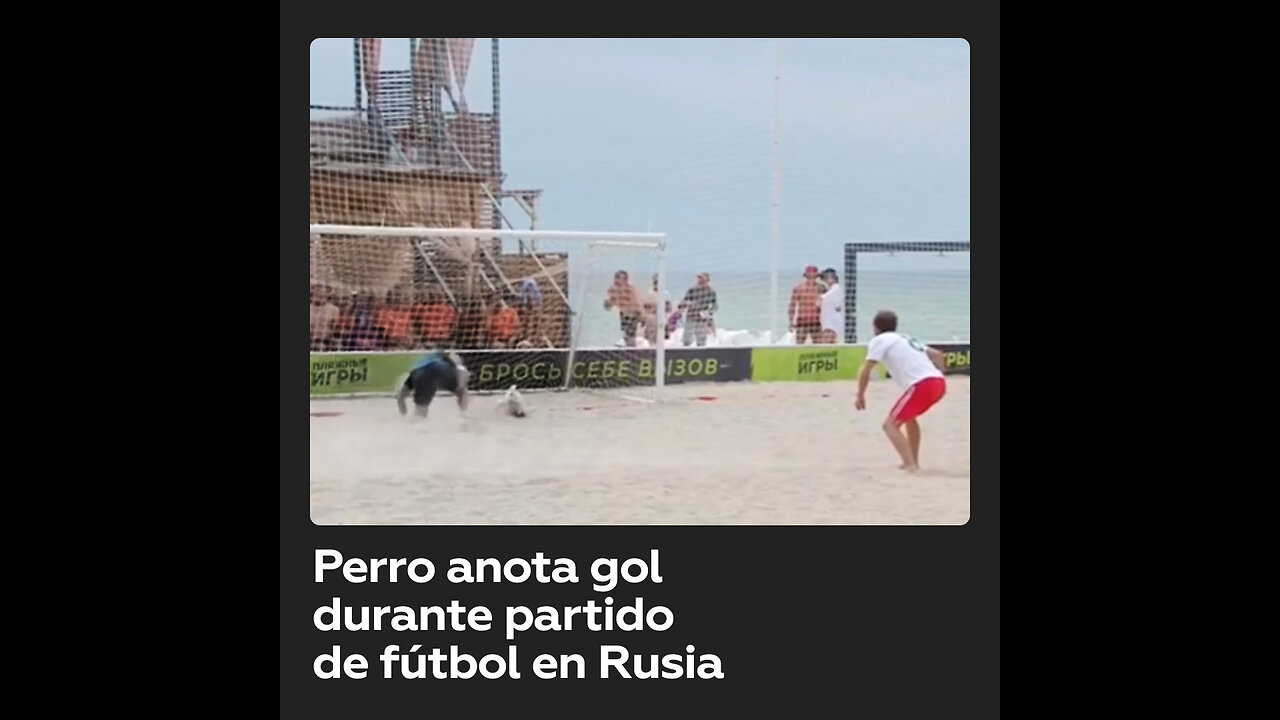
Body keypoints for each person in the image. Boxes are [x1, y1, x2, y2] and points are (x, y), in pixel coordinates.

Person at [854, 310, 948, 473]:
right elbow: (937, 355)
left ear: (875, 327)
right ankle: (912, 461)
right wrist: (940, 373)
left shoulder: (880, 340)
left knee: (889, 425)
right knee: (909, 419)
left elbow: (866, 369)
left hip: (922, 385)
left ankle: (911, 465)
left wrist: (860, 395)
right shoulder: (904, 337)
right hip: (938, 383)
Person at [396, 349, 471, 419]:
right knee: (462, 392)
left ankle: (410, 422)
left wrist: (403, 415)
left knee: (420, 413)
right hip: (433, 375)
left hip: (420, 374)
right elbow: (462, 389)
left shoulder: (419, 368)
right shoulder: (458, 369)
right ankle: (463, 416)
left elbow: (400, 398)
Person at [603, 270, 643, 347]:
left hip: (633, 314)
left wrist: (642, 315)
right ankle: (629, 346)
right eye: (616, 279)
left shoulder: (631, 290)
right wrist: (608, 301)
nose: (616, 283)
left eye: (619, 280)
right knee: (628, 335)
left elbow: (639, 304)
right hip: (625, 315)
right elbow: (608, 305)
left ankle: (632, 348)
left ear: (625, 280)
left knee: (630, 335)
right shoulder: (614, 290)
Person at [678, 272, 718, 347]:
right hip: (691, 316)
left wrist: (709, 313)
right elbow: (683, 301)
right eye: (699, 279)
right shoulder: (692, 290)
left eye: (702, 279)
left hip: (702, 318)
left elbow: (715, 306)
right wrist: (687, 304)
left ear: (707, 280)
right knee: (687, 339)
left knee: (701, 340)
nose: (700, 281)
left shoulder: (711, 292)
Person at [788, 266, 824, 344]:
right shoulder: (799, 288)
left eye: (813, 276)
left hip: (816, 320)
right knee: (800, 344)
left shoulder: (821, 288)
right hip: (802, 320)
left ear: (816, 276)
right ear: (806, 276)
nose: (811, 277)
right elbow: (792, 305)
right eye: (809, 276)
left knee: (818, 345)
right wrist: (791, 321)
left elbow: (828, 303)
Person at [818, 268, 844, 344]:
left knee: (827, 342)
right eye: (826, 277)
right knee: (831, 342)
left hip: (831, 323)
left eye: (830, 277)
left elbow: (820, 299)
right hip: (828, 322)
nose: (828, 279)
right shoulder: (829, 289)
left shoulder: (836, 288)